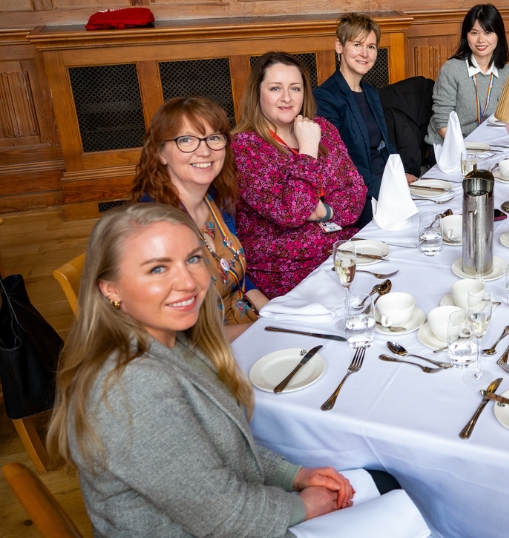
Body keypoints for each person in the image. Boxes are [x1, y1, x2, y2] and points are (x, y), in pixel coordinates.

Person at [44, 203, 399, 536]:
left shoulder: (174, 340)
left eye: (193, 259)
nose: (188, 282)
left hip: (234, 514)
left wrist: (295, 475)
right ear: (110, 289)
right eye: (157, 268)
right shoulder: (132, 386)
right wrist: (302, 506)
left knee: (389, 482)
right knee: (403, 503)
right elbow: (224, 517)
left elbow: (223, 447)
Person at [231, 52, 366, 297]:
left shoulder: (322, 128)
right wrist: (308, 150)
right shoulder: (244, 147)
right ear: (257, 93)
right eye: (275, 88)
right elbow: (292, 212)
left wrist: (323, 211)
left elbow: (356, 195)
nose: (286, 98)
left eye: (295, 88)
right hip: (289, 273)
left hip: (343, 254)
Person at [130, 96, 266, 338]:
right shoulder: (155, 227)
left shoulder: (217, 199)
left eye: (213, 138)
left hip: (242, 322)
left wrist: (272, 312)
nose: (204, 151)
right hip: (201, 346)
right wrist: (263, 331)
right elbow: (178, 333)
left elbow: (237, 277)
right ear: (160, 152)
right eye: (186, 140)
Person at [313, 12, 417, 226]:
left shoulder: (370, 92)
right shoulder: (325, 98)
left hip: (383, 182)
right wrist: (387, 189)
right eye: (357, 44)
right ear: (339, 46)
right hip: (357, 194)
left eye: (371, 46)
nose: (365, 53)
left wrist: (399, 174)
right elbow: (341, 167)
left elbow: (385, 144)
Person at [426, 4, 509, 146]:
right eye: (474, 33)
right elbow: (442, 122)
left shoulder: (506, 71)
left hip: (488, 145)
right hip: (450, 145)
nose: (481, 40)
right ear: (466, 35)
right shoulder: (452, 69)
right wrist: (464, 150)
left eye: (488, 33)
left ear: (499, 35)